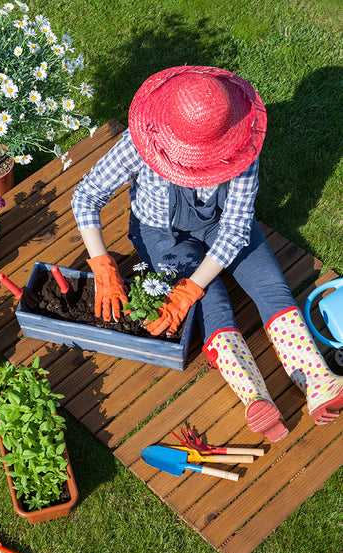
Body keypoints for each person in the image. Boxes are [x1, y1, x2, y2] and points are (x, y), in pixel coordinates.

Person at [71, 65, 343, 442]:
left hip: (222, 225)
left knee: (270, 285)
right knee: (212, 302)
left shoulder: (241, 147)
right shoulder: (142, 141)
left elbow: (233, 229)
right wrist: (102, 263)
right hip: (160, 234)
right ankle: (255, 396)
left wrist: (187, 291)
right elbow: (87, 196)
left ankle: (316, 379)